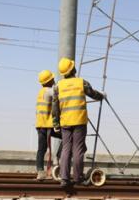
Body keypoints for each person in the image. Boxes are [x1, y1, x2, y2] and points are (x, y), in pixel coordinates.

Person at [52, 57, 105, 188]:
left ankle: (64, 179)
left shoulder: (58, 86)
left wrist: (56, 124)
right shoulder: (81, 82)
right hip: (79, 121)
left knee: (66, 149)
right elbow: (93, 94)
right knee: (78, 150)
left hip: (65, 122)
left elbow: (55, 107)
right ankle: (78, 178)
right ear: (73, 69)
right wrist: (102, 95)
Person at [34, 69, 61, 181]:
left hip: (40, 125)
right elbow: (58, 92)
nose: (54, 80)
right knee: (68, 137)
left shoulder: (40, 92)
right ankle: (57, 159)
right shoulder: (49, 91)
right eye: (53, 79)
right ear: (49, 80)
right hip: (48, 125)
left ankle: (40, 172)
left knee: (41, 149)